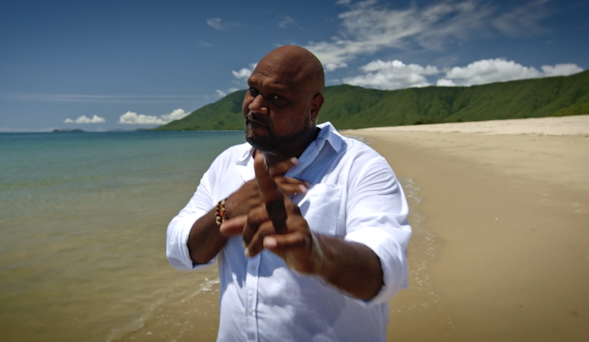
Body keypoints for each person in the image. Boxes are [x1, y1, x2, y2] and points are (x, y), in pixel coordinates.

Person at [166, 45, 412, 341]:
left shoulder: (359, 166)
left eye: (277, 98)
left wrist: (317, 254)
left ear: (313, 107)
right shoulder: (227, 164)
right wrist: (228, 209)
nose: (255, 106)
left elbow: (388, 269)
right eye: (252, 90)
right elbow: (179, 251)